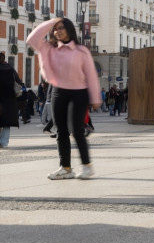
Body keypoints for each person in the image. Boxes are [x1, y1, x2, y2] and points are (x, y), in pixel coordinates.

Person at [27, 18, 102, 179]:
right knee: (61, 132)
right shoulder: (49, 49)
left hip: (79, 93)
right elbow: (32, 39)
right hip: (58, 91)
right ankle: (66, 168)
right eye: (55, 29)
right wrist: (53, 21)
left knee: (77, 130)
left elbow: (91, 75)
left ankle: (87, 166)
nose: (58, 31)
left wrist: (95, 97)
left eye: (61, 27)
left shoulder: (81, 51)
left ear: (69, 29)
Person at [0, 52, 23, 147]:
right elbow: (19, 82)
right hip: (9, 100)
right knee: (6, 122)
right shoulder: (11, 70)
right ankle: (4, 142)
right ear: (4, 59)